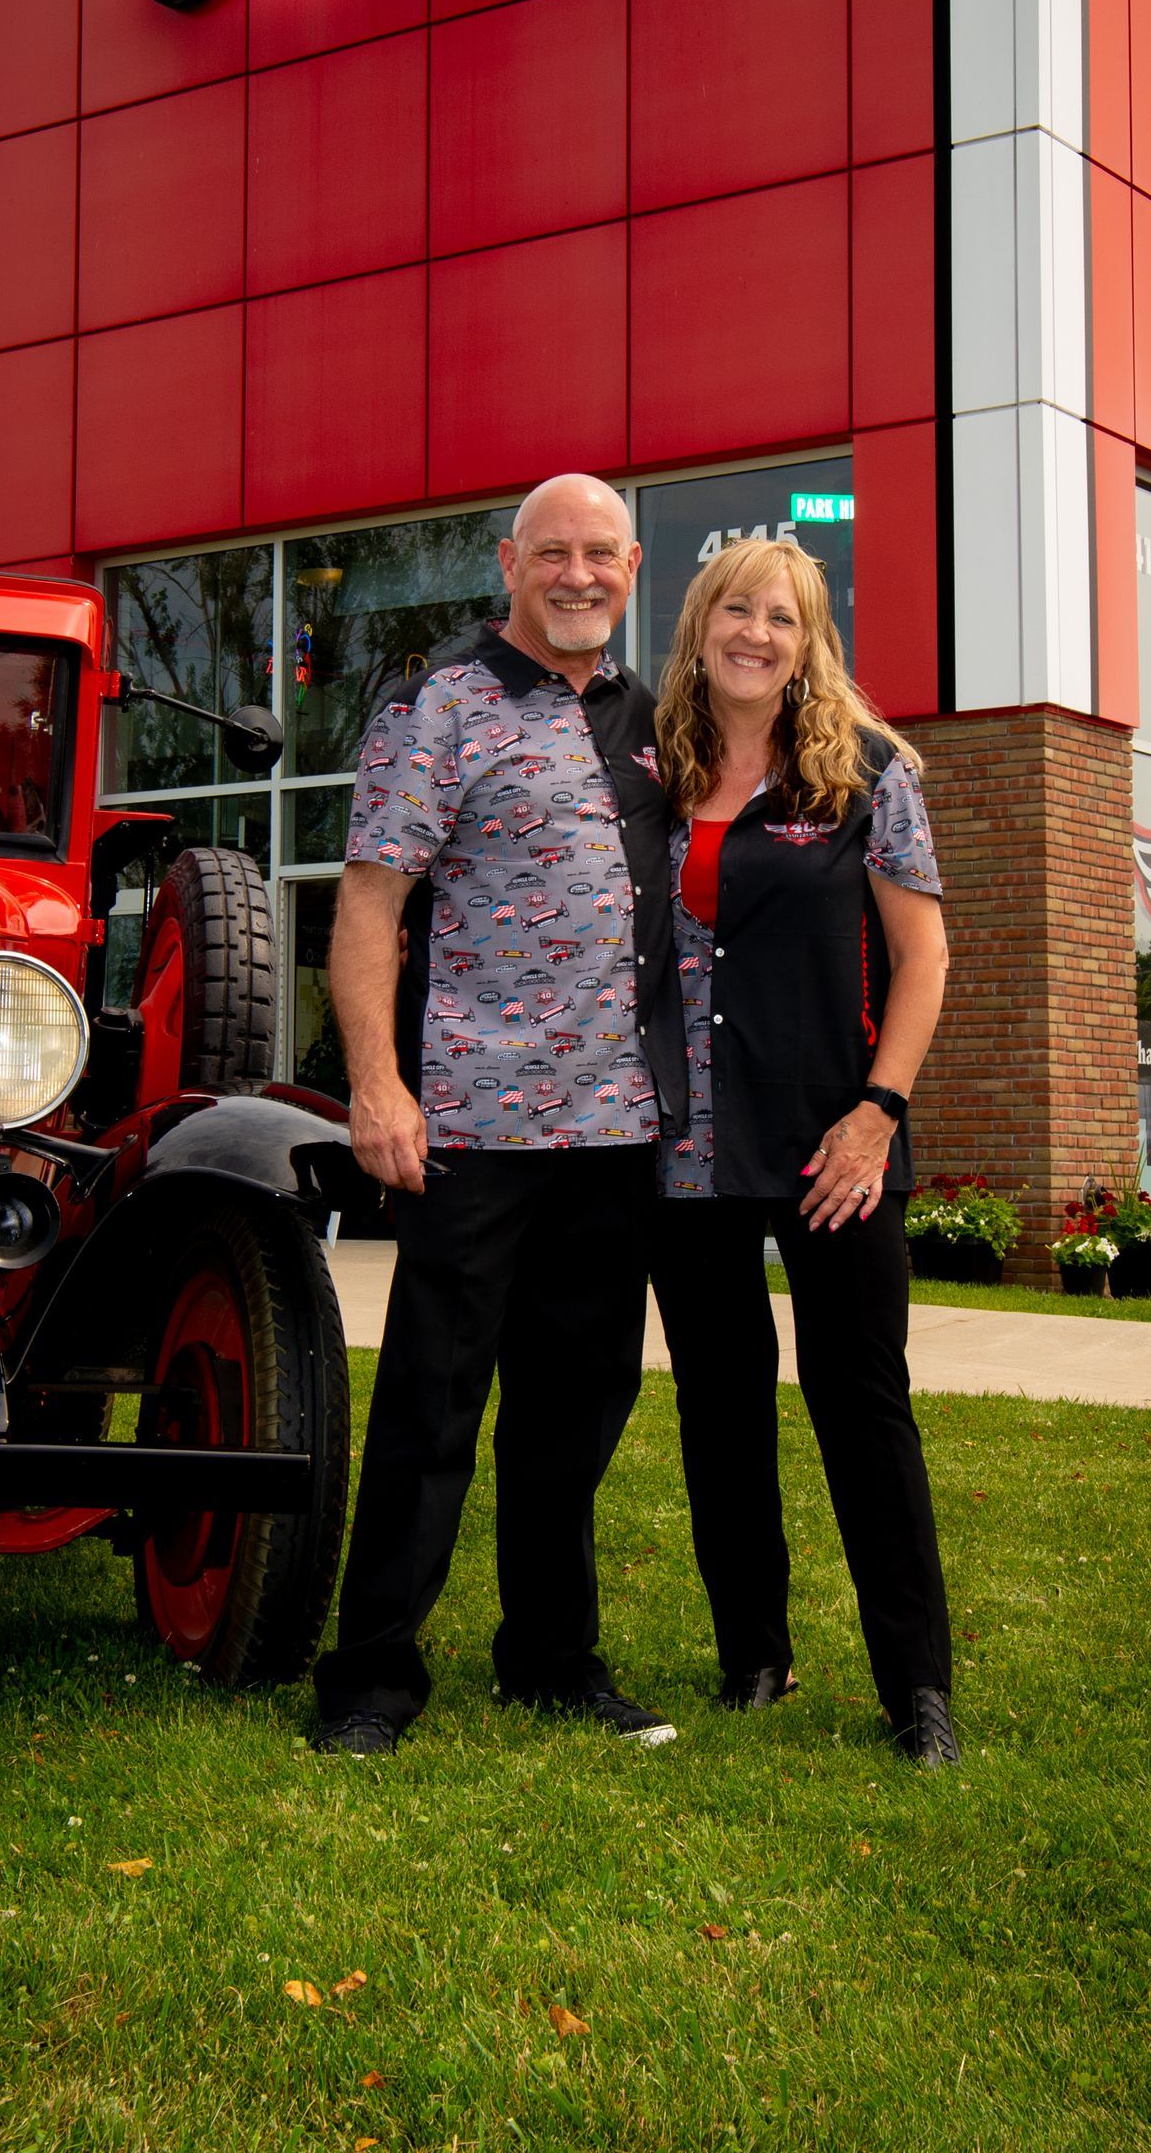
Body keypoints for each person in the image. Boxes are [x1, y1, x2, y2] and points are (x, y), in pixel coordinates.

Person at [311, 474, 687, 1758]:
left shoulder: (652, 720)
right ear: (508, 561)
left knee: (575, 1409)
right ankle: (369, 1678)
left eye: (600, 555)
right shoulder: (439, 707)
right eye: (553, 554)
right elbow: (369, 909)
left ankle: (550, 1657)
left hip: (620, 1130)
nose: (578, 575)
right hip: (471, 1123)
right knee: (431, 1403)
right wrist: (378, 1082)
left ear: (633, 565)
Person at [647, 534, 960, 1768]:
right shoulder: (654, 771)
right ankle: (753, 1657)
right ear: (701, 625)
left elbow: (925, 959)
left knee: (860, 1406)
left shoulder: (867, 775)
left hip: (837, 1143)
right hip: (686, 1149)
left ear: (808, 637)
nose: (756, 634)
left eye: (781, 616)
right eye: (736, 609)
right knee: (722, 1409)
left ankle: (917, 1693)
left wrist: (879, 1109)